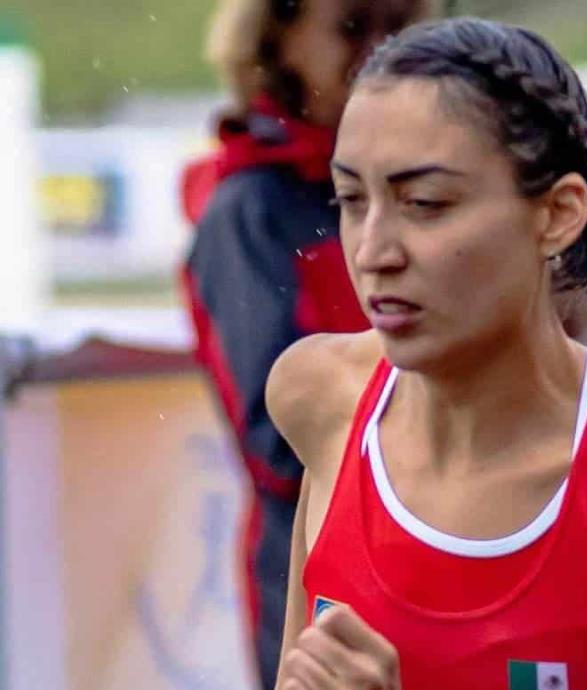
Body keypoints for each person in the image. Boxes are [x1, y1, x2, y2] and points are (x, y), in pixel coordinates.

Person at [267, 18, 587, 690]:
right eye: (352, 200)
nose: (373, 251)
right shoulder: (320, 397)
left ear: (557, 214)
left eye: (425, 203)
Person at [179, 1, 430, 687]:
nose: (381, 49)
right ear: (276, 38)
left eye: (398, 25)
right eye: (352, 26)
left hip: (441, 542)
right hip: (321, 567)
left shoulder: (422, 183)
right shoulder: (248, 208)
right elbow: (279, 442)